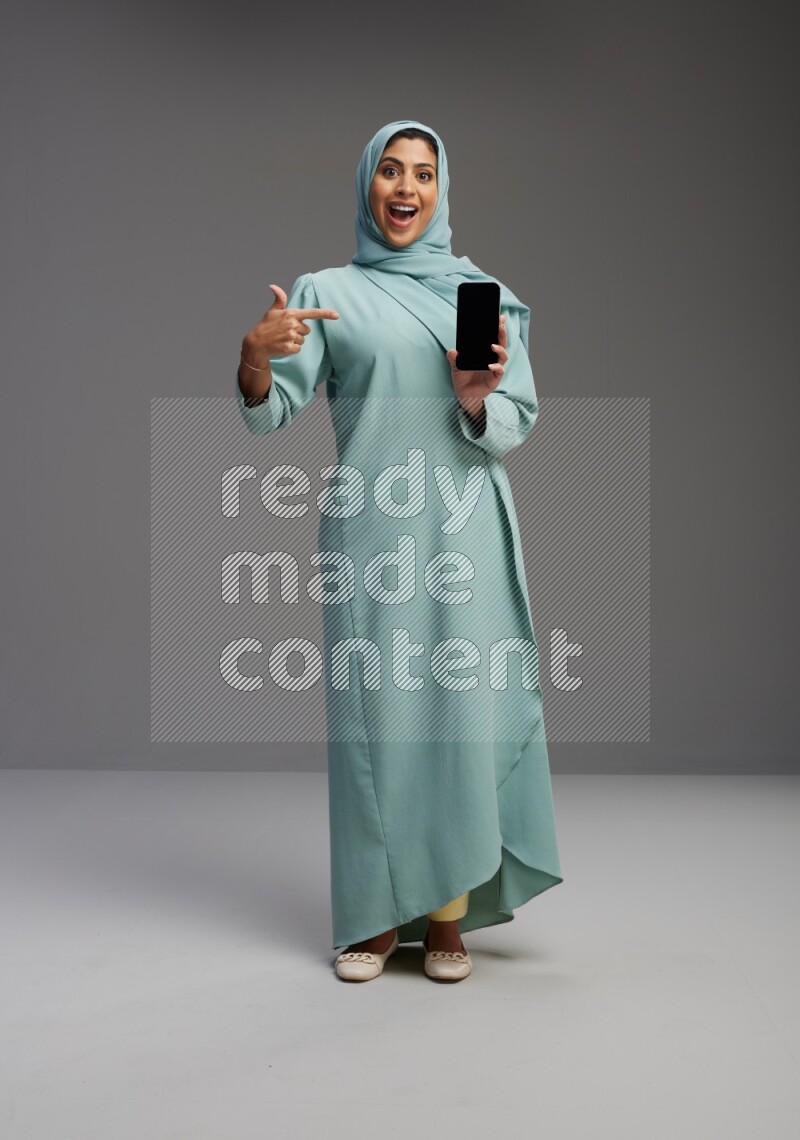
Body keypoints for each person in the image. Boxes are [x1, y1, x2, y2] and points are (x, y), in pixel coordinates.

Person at [235, 119, 563, 983]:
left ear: (442, 189)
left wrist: (475, 397)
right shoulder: (328, 289)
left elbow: (514, 425)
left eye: (423, 171)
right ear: (367, 185)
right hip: (372, 530)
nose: (406, 186)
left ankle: (449, 912)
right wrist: (254, 360)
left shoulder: (481, 292)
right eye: (389, 170)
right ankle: (377, 915)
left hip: (465, 529)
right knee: (376, 723)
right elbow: (271, 414)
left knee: (457, 719)